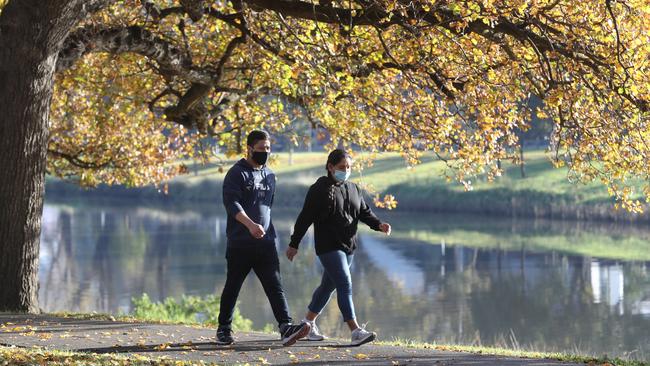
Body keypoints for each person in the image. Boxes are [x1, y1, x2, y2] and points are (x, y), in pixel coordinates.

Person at [285, 149, 392, 346]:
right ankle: (355, 331)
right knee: (345, 283)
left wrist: (378, 224)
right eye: (342, 167)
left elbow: (364, 212)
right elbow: (304, 218)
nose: (346, 170)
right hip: (328, 246)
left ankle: (308, 323)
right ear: (330, 167)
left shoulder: (353, 188)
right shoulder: (319, 189)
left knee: (328, 286)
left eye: (349, 167)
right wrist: (294, 243)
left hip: (348, 246)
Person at [216, 130, 310, 346]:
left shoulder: (270, 175)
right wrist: (250, 225)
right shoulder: (236, 173)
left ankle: (286, 327)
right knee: (233, 286)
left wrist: (267, 231)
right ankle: (224, 329)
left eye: (268, 148)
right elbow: (232, 205)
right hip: (240, 242)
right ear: (249, 149)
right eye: (261, 149)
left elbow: (267, 207)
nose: (265, 152)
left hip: (266, 242)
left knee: (274, 285)